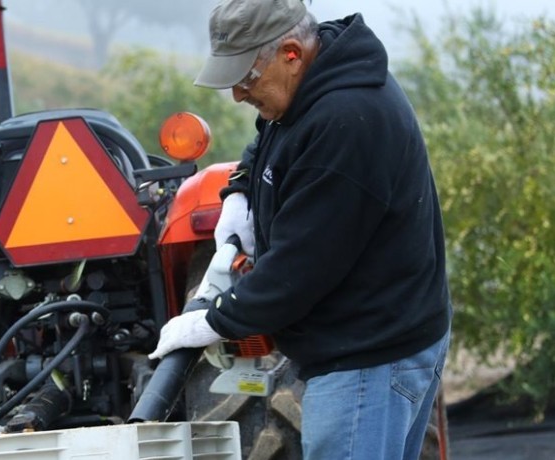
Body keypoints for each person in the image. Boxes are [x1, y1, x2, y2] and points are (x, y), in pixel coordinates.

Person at [147, 0, 452, 458]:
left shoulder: (345, 120)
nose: (236, 94)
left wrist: (213, 320)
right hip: (376, 341)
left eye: (245, 78)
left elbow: (300, 270)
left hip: (369, 359)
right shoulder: (312, 83)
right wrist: (240, 190)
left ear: (290, 52)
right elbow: (269, 139)